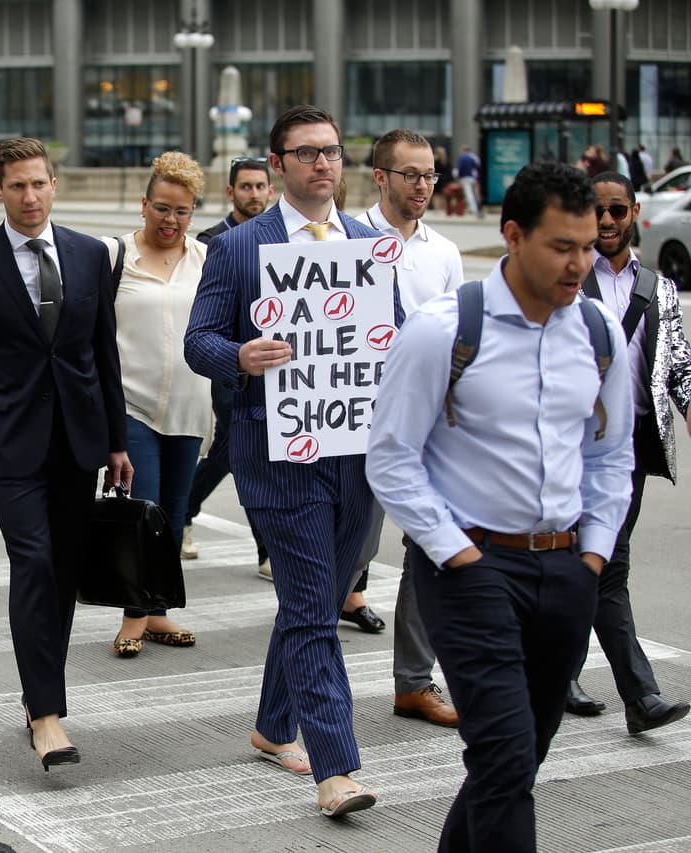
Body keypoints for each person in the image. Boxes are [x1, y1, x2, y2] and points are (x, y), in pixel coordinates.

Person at [366, 161, 634, 851]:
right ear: (513, 236)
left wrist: (594, 554)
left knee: (515, 756)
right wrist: (459, 553)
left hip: (568, 569)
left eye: (588, 245)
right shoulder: (442, 330)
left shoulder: (600, 333)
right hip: (469, 570)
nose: (581, 262)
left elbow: (610, 457)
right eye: (562, 246)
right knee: (507, 754)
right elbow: (391, 458)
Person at [184, 104, 391, 817]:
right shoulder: (242, 248)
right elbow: (199, 340)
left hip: (353, 453)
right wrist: (239, 356)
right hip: (277, 456)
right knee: (310, 608)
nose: (322, 164)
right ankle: (336, 768)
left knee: (317, 599)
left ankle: (273, 724)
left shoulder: (366, 244)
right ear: (276, 166)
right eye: (305, 153)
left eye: (331, 151)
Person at [0, 137, 132, 772]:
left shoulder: (88, 254)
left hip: (78, 441)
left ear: (54, 184)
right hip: (10, 442)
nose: (29, 196)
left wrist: (118, 441)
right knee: (35, 562)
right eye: (15, 185)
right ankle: (46, 715)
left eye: (38, 184)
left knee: (64, 573)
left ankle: (38, 696)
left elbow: (104, 355)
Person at [562, 171, 691, 734]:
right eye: (599, 211)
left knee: (593, 565)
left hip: (632, 445)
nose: (609, 220)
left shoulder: (658, 287)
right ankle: (641, 697)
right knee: (603, 566)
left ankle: (558, 671)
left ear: (635, 212)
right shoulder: (563, 277)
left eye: (618, 210)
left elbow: (679, 364)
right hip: (571, 445)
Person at [351, 129, 464, 726]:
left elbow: (455, 340)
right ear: (382, 178)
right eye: (410, 175)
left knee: (428, 550)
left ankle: (414, 683)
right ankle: (295, 675)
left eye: (429, 175)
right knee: (351, 553)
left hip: (425, 426)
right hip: (354, 425)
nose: (422, 186)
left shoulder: (444, 253)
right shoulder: (345, 240)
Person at [105, 151, 209, 658]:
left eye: (182, 211)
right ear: (144, 205)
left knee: (174, 512)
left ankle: (159, 608)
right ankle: (133, 614)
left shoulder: (204, 260)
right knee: (140, 509)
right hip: (132, 403)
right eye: (162, 208)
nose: (171, 220)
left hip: (190, 403)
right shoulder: (115, 257)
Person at [184, 157, 275, 578]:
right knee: (238, 449)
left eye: (260, 187)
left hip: (269, 367)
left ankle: (182, 513)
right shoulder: (212, 240)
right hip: (229, 363)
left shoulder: (278, 238)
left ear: (270, 191)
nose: (253, 194)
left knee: (230, 450)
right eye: (246, 187)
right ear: (230, 192)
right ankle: (266, 550)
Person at [456, 145, 482, 218]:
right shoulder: (474, 157)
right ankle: (473, 208)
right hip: (473, 178)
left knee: (468, 194)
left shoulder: (463, 158)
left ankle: (473, 209)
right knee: (474, 194)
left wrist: (458, 175)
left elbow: (460, 168)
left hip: (465, 177)